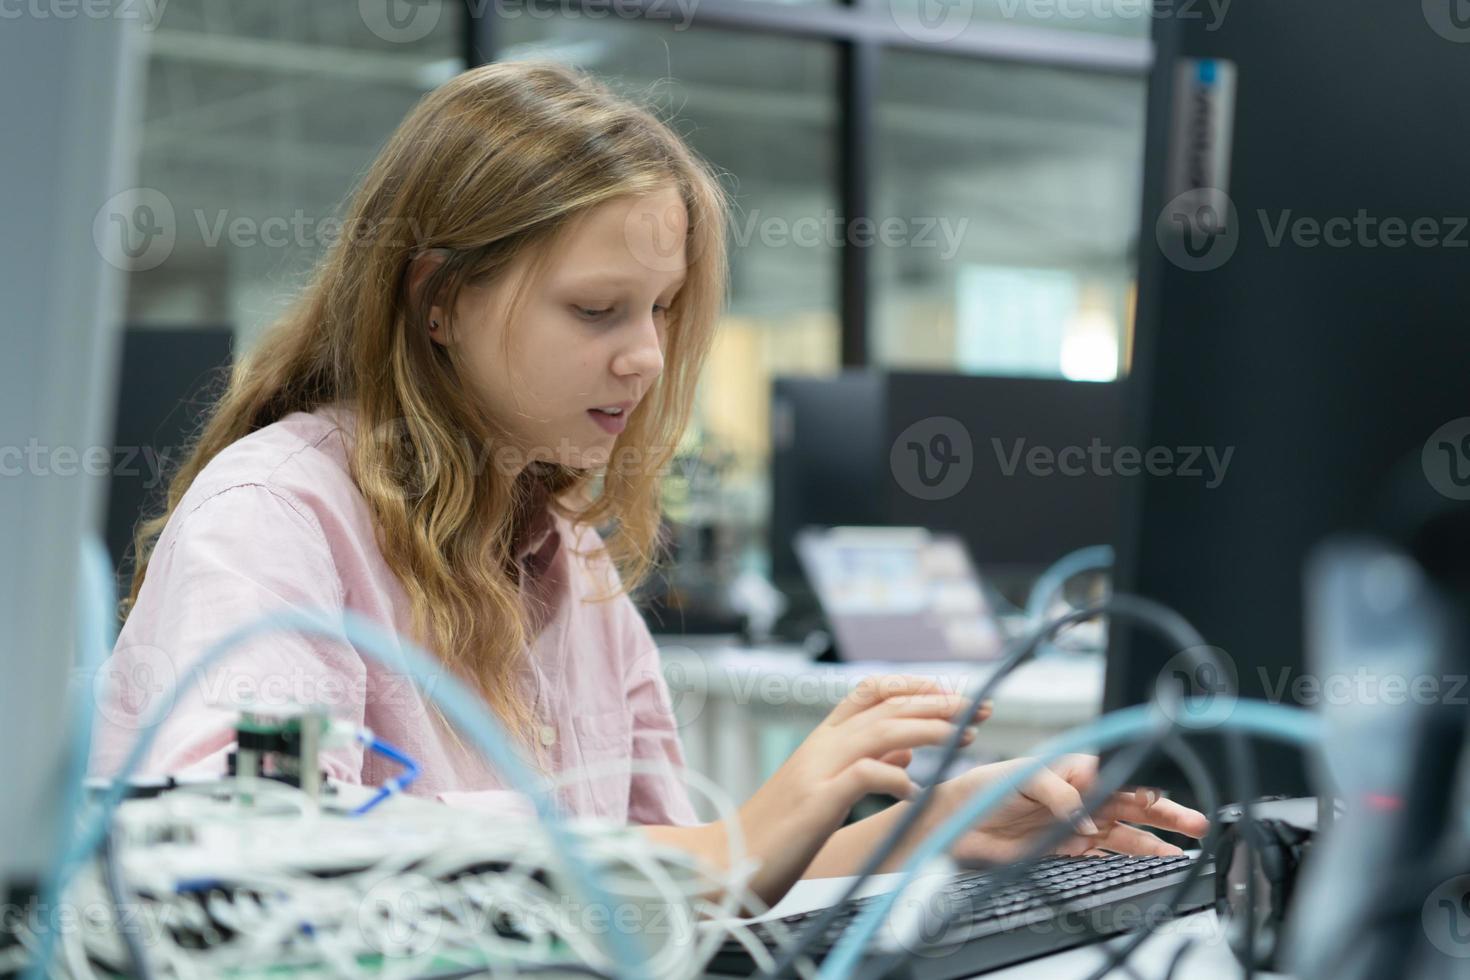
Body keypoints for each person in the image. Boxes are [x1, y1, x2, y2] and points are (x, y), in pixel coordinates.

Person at [93, 60, 1206, 909]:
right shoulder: (274, 523)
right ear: (438, 298)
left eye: (663, 308)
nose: (649, 357)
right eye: (597, 310)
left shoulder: (565, 554)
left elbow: (680, 886)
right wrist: (737, 840)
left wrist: (941, 822)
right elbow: (257, 885)